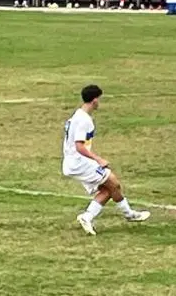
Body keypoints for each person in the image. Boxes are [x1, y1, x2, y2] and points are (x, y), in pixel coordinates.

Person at [62, 85, 150, 235]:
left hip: (73, 162)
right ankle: (129, 214)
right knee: (114, 183)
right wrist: (98, 159)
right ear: (95, 100)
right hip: (80, 162)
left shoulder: (77, 115)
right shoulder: (84, 120)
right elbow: (79, 146)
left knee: (108, 189)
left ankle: (87, 216)